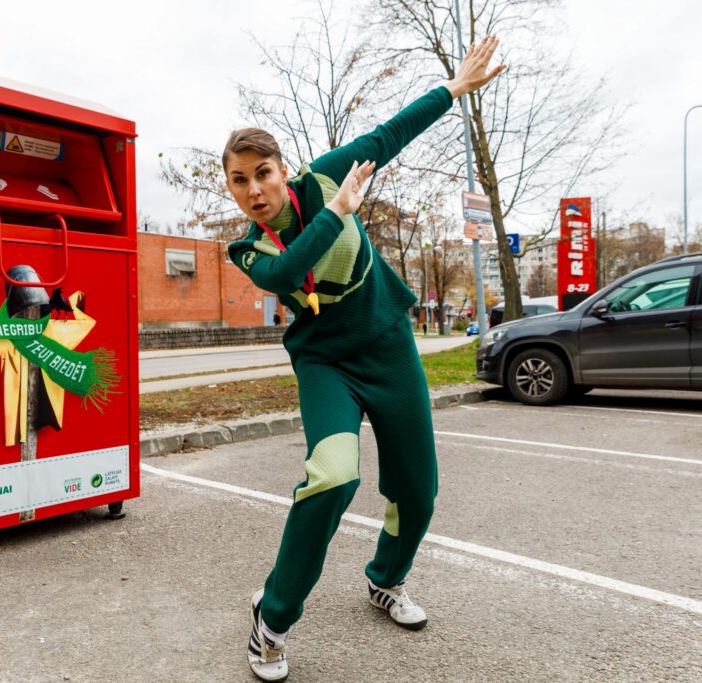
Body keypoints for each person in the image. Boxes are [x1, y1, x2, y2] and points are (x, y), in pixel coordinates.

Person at [224, 36, 506, 682]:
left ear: (283, 169)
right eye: (239, 180)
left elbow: (390, 133)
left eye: (262, 173)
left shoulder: (328, 173)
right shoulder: (247, 249)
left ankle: (386, 578)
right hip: (325, 363)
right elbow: (288, 270)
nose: (254, 190)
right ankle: (271, 621)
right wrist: (339, 211)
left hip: (387, 342)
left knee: (419, 489)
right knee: (332, 476)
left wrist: (455, 89)